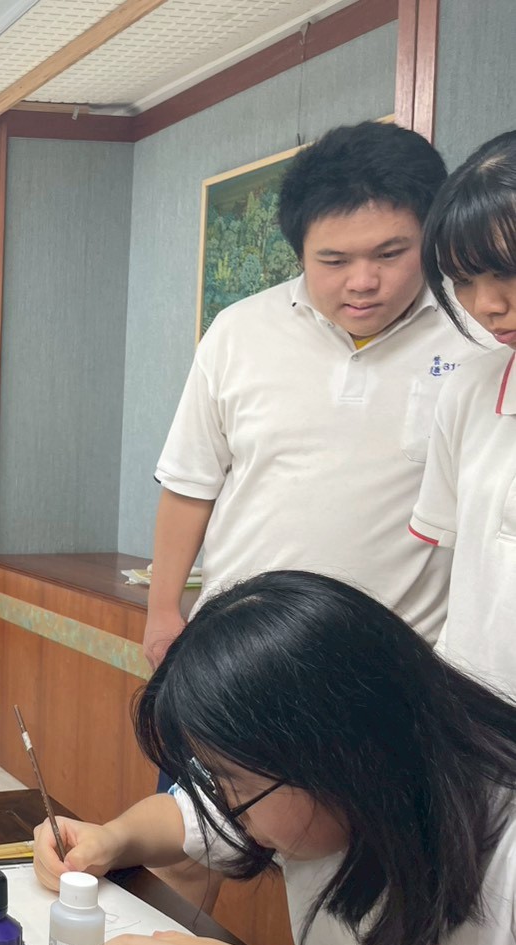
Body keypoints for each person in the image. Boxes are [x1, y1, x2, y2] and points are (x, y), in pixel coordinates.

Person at [35, 570, 516, 945]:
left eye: (232, 784)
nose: (224, 806)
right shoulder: (333, 793)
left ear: (338, 760)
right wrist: (113, 839)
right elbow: (183, 817)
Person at [146, 120, 486, 668]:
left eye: (390, 254)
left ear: (430, 238)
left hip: (401, 663)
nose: (363, 281)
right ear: (299, 252)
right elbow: (191, 484)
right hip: (240, 653)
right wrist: (163, 611)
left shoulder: (480, 339)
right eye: (334, 261)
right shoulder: (237, 332)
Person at [410, 130, 516, 699]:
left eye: (508, 270)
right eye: (465, 281)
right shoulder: (469, 392)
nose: (488, 306)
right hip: (473, 716)